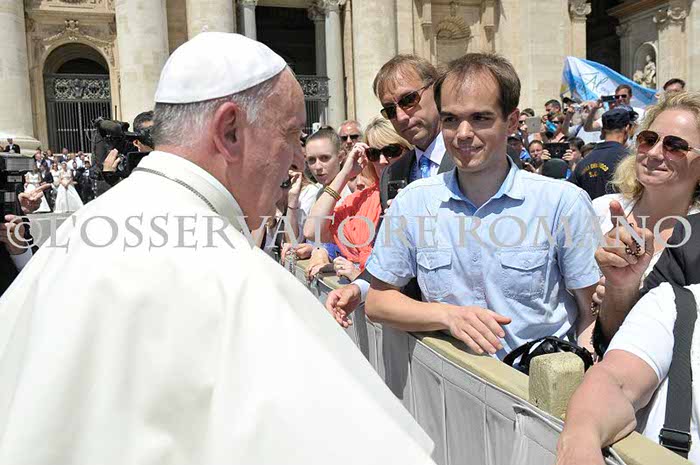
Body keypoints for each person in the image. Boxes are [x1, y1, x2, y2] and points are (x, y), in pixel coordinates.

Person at [0, 32, 436, 465]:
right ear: (229, 131)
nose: (297, 160)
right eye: (290, 135)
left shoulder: (82, 230)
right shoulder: (236, 279)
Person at [359, 53, 599, 359]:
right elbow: (379, 301)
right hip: (451, 382)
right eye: (450, 119)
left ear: (511, 122)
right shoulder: (413, 202)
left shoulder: (562, 203)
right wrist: (447, 316)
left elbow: (591, 314)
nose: (463, 134)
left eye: (480, 118)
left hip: (536, 384)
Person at [589, 92, 700, 351]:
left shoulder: (697, 236)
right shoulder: (601, 210)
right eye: (648, 140)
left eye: (675, 146)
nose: (654, 153)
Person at [304, 117, 410, 283]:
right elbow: (312, 231)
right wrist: (345, 173)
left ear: (408, 150)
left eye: (392, 151)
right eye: (374, 154)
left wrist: (359, 277)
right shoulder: (363, 199)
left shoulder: (425, 191)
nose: (382, 161)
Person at [570, 107, 635, 200]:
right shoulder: (629, 159)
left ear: (603, 130)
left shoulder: (584, 161)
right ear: (627, 128)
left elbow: (570, 193)